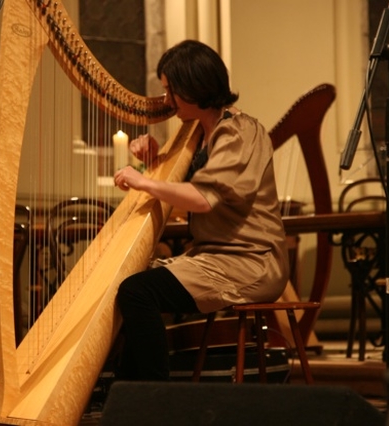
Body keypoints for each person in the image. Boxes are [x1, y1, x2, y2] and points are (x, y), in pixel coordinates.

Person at [112, 39, 290, 381]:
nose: (165, 101)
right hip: (210, 256)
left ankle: (151, 400)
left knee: (138, 292)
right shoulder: (199, 133)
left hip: (250, 261)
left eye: (170, 91)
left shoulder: (241, 132)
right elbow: (185, 184)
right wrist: (152, 161)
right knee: (128, 284)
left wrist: (143, 181)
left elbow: (204, 198)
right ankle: (128, 397)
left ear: (194, 87)